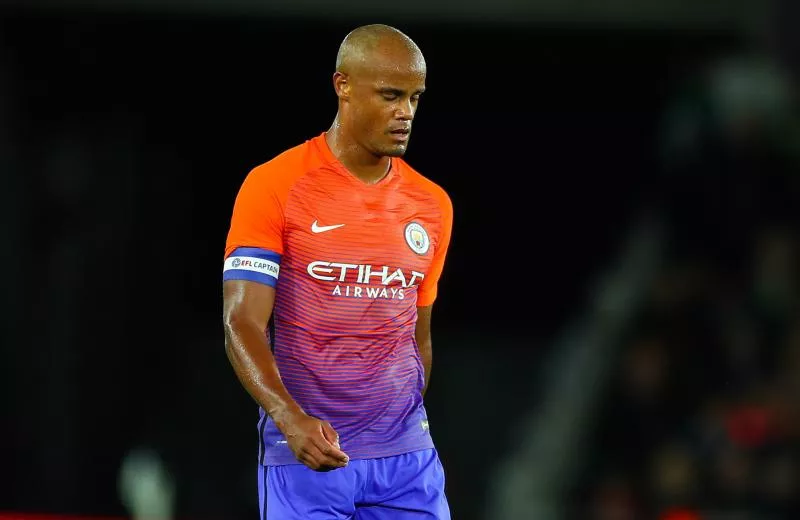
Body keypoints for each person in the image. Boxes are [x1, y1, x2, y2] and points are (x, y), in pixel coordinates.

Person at [221, 23, 454, 519]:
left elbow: (419, 336)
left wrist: (392, 425)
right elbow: (241, 322)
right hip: (307, 454)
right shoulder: (275, 185)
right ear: (342, 85)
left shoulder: (432, 204)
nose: (405, 114)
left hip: (406, 461)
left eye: (415, 98)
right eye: (391, 95)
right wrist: (288, 418)